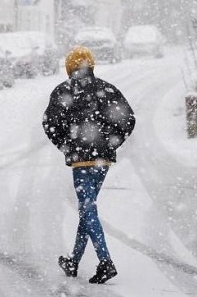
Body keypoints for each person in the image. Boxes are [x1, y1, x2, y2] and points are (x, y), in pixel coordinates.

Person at [42, 46, 136, 284]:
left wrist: (67, 145)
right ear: (91, 65)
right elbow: (128, 119)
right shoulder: (107, 89)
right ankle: (74, 260)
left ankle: (105, 261)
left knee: (87, 208)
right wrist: (112, 143)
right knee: (88, 208)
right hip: (102, 159)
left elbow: (50, 124)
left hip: (82, 161)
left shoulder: (64, 91)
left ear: (69, 67)